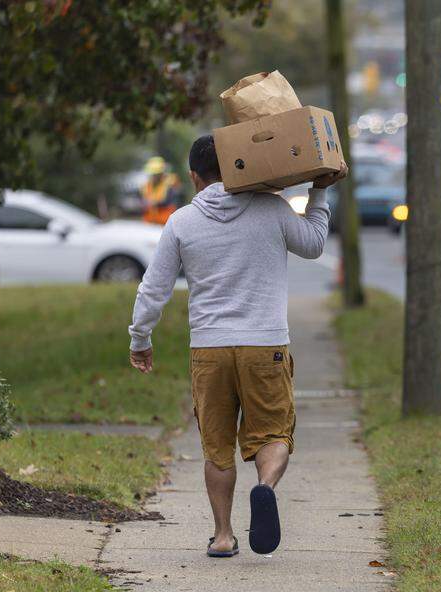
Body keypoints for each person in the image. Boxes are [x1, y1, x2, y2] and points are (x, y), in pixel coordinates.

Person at [128, 135, 347, 557]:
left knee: (217, 447)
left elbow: (152, 290)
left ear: (194, 177)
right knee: (274, 434)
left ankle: (224, 536)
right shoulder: (271, 208)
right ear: (236, 166)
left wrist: (141, 338)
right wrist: (319, 192)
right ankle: (264, 488)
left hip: (209, 350)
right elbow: (314, 243)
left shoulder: (181, 222)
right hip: (266, 345)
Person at [140, 156, 185, 225]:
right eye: (152, 174)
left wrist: (154, 203)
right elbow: (143, 201)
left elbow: (172, 203)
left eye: (155, 174)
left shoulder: (170, 185)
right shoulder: (148, 186)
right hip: (150, 222)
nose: (153, 177)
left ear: (161, 174)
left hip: (167, 222)